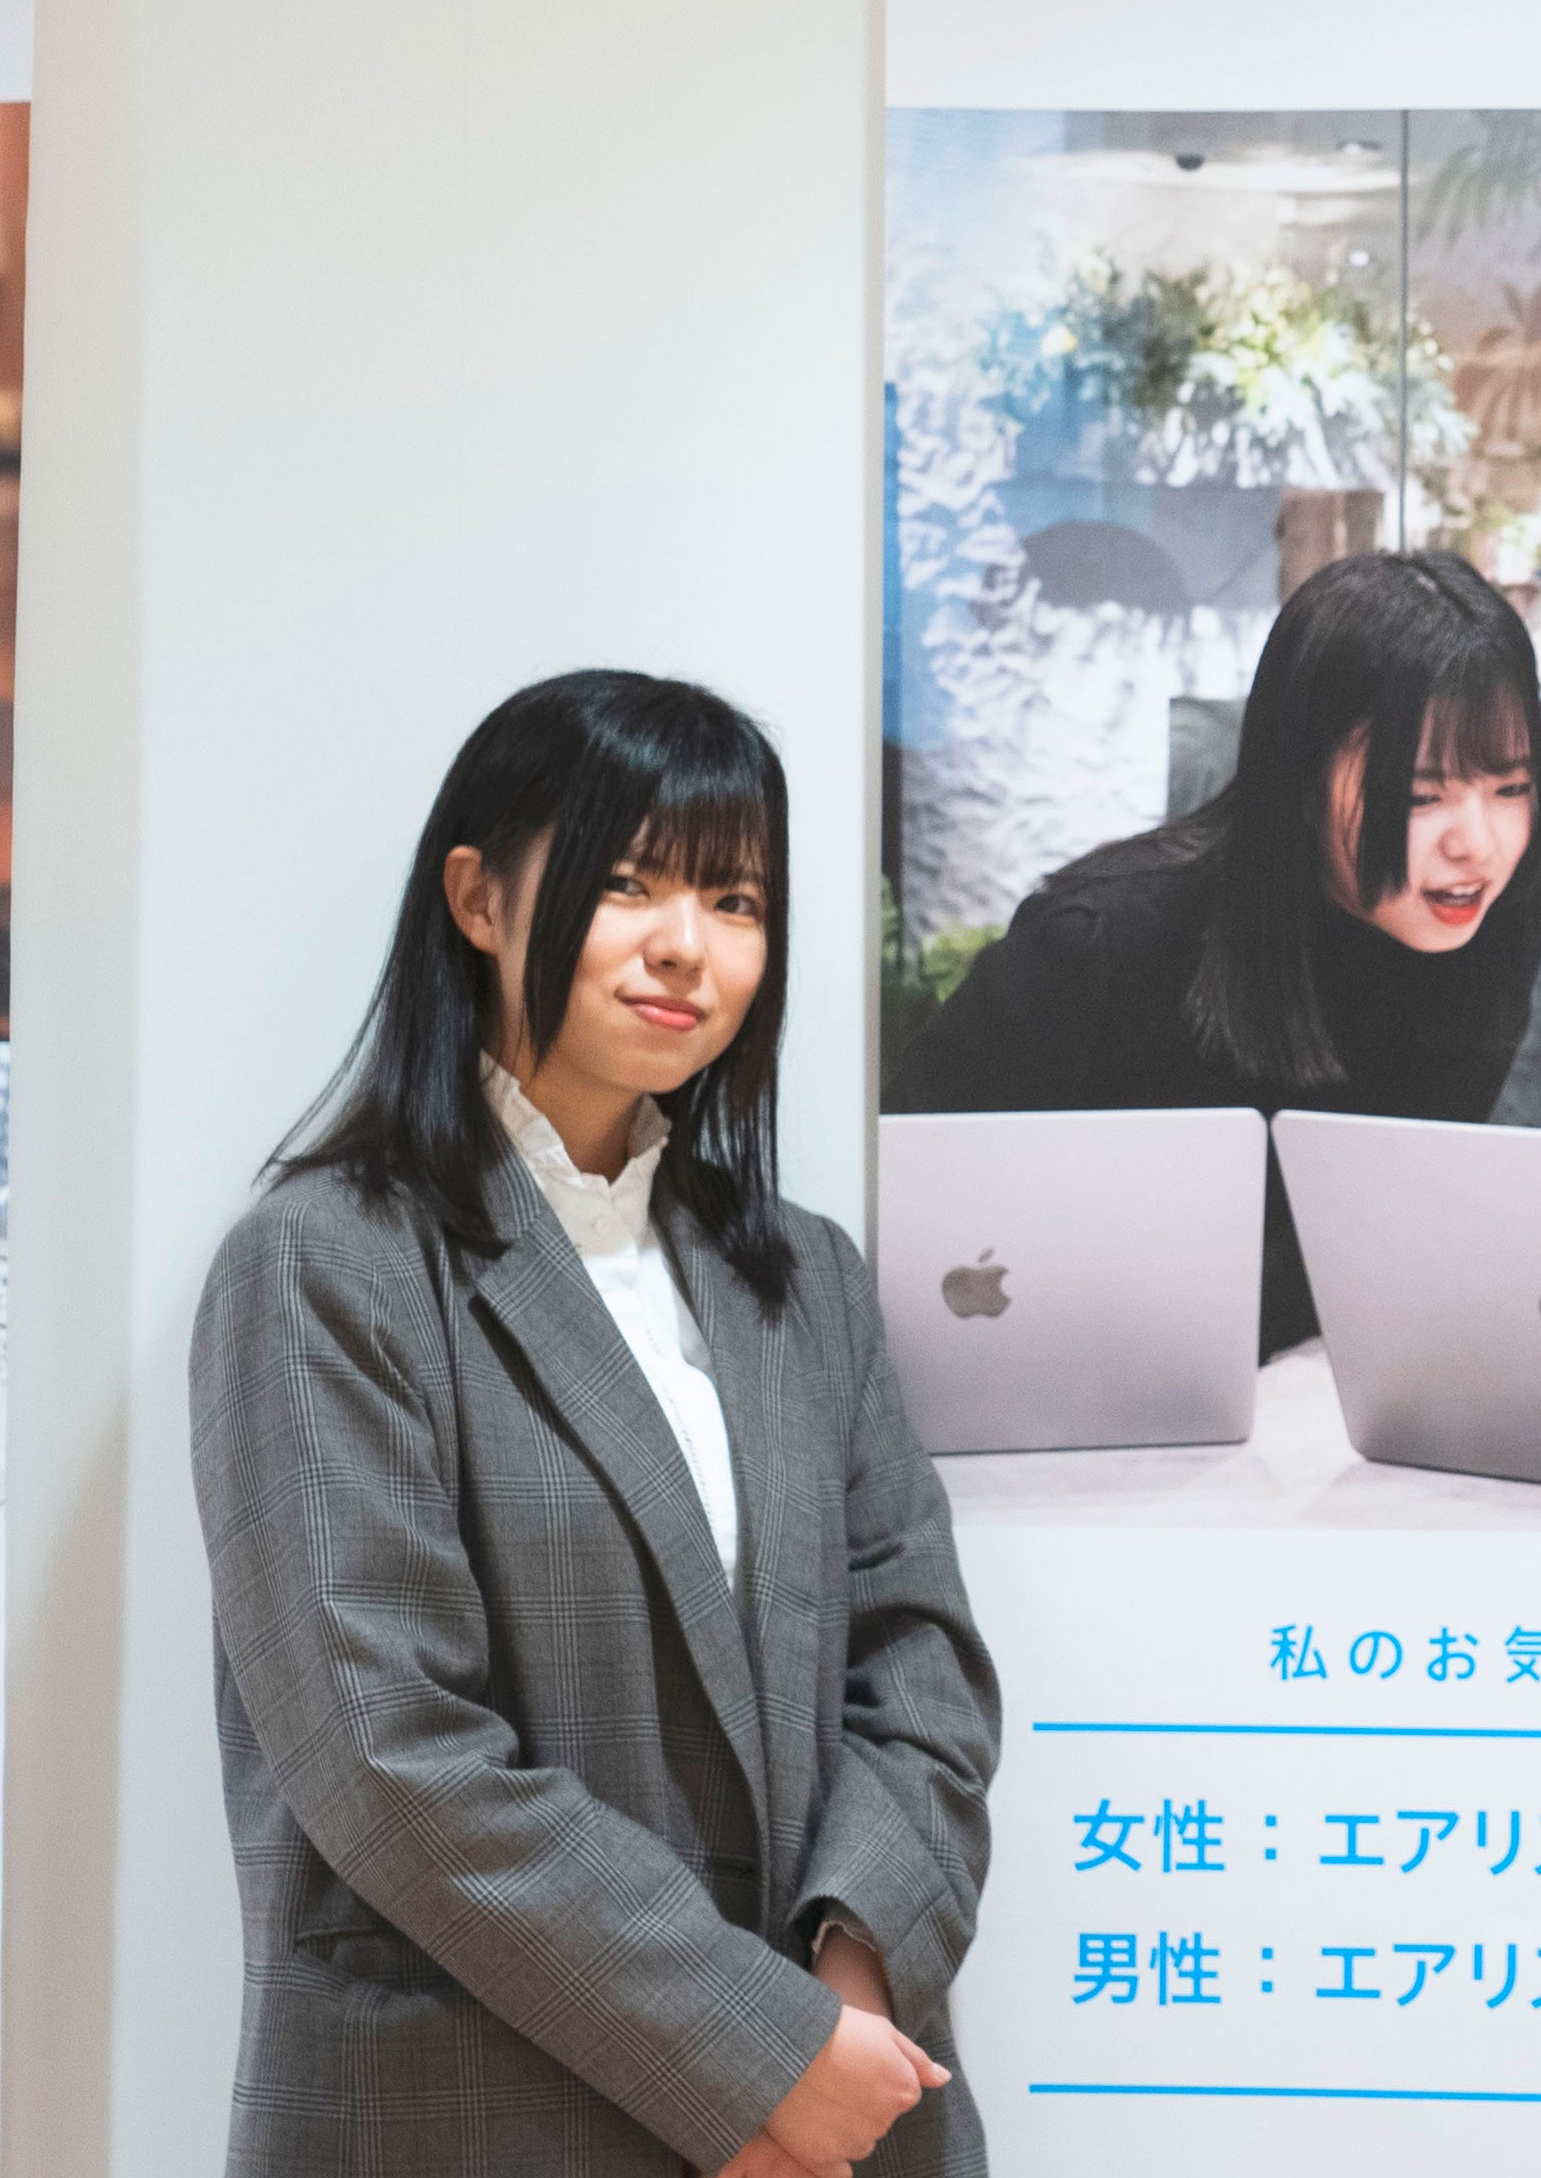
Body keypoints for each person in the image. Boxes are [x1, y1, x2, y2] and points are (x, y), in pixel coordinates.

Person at [193, 672, 1001, 2178]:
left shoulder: (805, 1277)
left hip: (846, 2116)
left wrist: (847, 1985)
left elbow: (922, 1672)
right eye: (629, 881)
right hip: (478, 2120)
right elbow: (391, 1758)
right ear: (479, 899)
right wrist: (758, 2054)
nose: (687, 943)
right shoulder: (326, 1261)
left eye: (736, 898)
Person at [887, 550, 1541, 1358]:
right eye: (1421, 795)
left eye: (1511, 788)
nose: (1478, 844)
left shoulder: (1492, 922)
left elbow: (1393, 1230)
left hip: (1317, 1387)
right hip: (1070, 1378)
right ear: (1300, 776)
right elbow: (902, 1200)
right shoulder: (1101, 947)